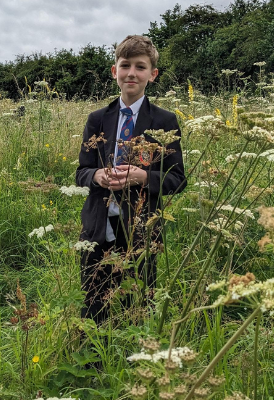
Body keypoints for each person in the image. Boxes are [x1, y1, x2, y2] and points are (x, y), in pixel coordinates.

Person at [75, 35, 186, 325]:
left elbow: (177, 179)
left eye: (140, 67)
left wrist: (143, 177)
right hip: (98, 228)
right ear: (115, 71)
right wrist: (97, 175)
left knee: (136, 308)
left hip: (141, 231)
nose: (132, 73)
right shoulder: (97, 119)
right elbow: (81, 172)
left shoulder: (164, 121)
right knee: (94, 304)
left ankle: (132, 364)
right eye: (125, 65)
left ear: (153, 74)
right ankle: (93, 362)